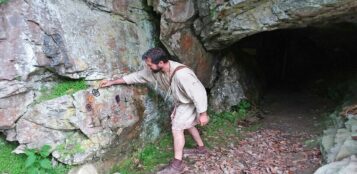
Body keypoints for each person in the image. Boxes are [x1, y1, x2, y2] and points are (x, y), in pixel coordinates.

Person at [99, 47, 209, 173]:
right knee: (187, 124)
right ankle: (201, 149)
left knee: (177, 128)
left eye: (150, 65)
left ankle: (177, 165)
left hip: (189, 102)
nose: (148, 67)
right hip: (183, 102)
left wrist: (203, 114)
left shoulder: (182, 75)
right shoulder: (156, 71)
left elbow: (199, 93)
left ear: (161, 63)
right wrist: (112, 82)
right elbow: (137, 76)